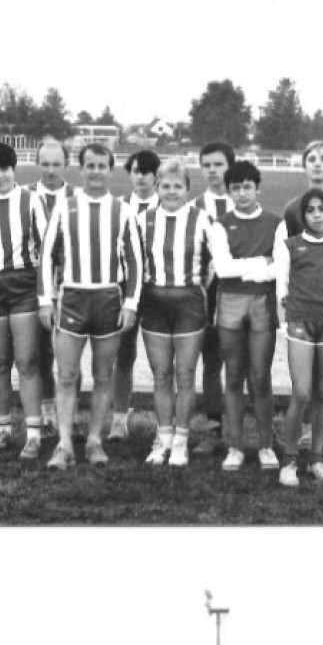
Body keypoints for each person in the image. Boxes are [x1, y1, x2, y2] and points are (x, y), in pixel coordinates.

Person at [38, 143, 143, 469]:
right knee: (67, 375)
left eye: (102, 165)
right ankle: (65, 443)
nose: (96, 171)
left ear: (110, 170)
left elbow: (135, 262)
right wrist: (45, 300)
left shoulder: (122, 209)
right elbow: (46, 257)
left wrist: (130, 304)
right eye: (90, 165)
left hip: (108, 301)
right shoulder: (64, 207)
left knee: (103, 374)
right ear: (80, 169)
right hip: (72, 299)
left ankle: (95, 440)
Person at [0, 141, 47, 462]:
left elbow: (45, 253)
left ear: (13, 169)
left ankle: (33, 435)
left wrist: (44, 296)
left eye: (4, 168)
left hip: (25, 285)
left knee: (27, 362)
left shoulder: (32, 201)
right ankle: (3, 429)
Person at [211, 160, 286, 472]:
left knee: (260, 377)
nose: (241, 193)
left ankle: (266, 445)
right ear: (228, 192)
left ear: (258, 189)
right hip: (229, 302)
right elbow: (224, 268)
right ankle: (236, 447)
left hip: (262, 305)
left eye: (247, 187)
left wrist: (253, 269)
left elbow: (280, 268)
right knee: (233, 375)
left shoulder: (276, 223)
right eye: (235, 188)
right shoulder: (219, 224)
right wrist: (260, 263)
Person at [138, 158, 213, 467]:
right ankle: (163, 438)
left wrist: (201, 289)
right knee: (161, 375)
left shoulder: (202, 219)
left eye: (177, 186)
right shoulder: (142, 219)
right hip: (153, 302)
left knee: (185, 374)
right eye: (165, 186)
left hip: (189, 303)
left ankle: (181, 440)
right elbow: (132, 261)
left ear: (187, 189)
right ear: (156, 188)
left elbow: (216, 262)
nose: (171, 192)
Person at [275, 189, 323, 487]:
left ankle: (317, 459)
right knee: (302, 393)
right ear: (302, 215)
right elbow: (282, 286)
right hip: (299, 323)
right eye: (310, 210)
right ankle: (290, 461)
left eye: (322, 209)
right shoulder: (290, 246)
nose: (317, 214)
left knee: (322, 393)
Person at [281, 140, 323, 453]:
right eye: (311, 159)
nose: (317, 164)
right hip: (304, 307)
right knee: (304, 383)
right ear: (304, 165)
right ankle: (305, 430)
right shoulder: (294, 209)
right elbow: (289, 258)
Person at [108, 150, 161, 442]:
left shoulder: (168, 204)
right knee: (123, 356)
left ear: (156, 175)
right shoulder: (118, 207)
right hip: (125, 293)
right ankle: (119, 420)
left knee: (161, 362)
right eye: (135, 171)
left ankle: (165, 425)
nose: (140, 176)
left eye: (146, 171)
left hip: (156, 293)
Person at [189, 141, 235, 455]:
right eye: (207, 165)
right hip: (205, 296)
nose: (212, 171)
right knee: (211, 365)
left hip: (238, 294)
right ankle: (214, 428)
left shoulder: (242, 202)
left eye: (218, 164)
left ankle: (239, 432)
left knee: (241, 365)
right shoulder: (194, 207)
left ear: (229, 166)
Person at [28, 138, 77, 435]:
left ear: (66, 165)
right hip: (35, 285)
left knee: (70, 355)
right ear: (37, 164)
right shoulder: (25, 196)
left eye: (56, 164)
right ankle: (47, 411)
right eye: (44, 163)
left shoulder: (78, 196)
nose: (50, 170)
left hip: (72, 284)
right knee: (41, 352)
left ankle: (70, 415)